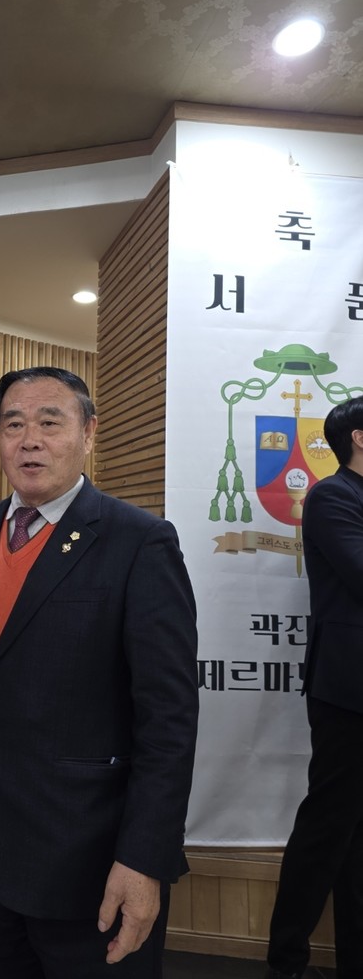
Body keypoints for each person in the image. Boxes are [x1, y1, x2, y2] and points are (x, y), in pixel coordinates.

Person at [0, 366, 198, 979]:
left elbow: (168, 718)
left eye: (50, 422)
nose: (29, 440)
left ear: (88, 432)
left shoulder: (139, 541)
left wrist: (145, 859)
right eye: (13, 424)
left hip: (91, 864)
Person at [266, 396, 363, 979]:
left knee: (357, 837)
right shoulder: (333, 496)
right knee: (327, 827)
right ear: (359, 437)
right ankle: (286, 960)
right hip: (348, 688)